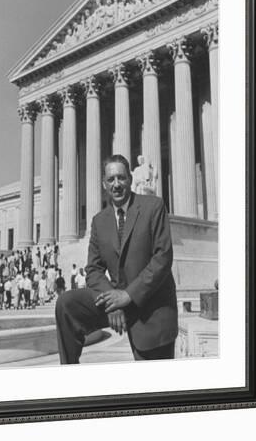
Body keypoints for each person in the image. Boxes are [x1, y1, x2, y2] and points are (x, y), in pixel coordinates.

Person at [55, 154, 178, 364]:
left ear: (130, 179)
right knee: (67, 304)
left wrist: (128, 295)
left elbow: (162, 258)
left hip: (150, 303)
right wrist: (114, 302)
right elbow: (93, 269)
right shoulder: (99, 221)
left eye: (121, 178)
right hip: (117, 300)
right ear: (104, 184)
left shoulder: (153, 207)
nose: (117, 184)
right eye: (111, 179)